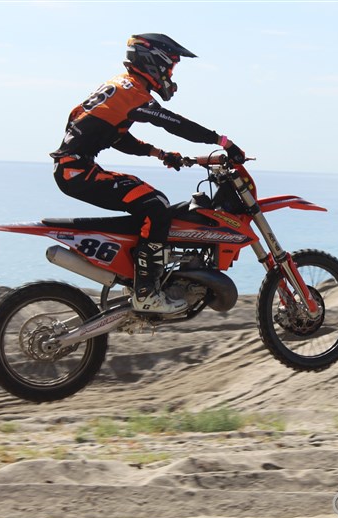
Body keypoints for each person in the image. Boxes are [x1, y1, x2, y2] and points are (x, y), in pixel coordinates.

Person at [50, 33, 245, 314]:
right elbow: (173, 123)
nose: (170, 75)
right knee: (156, 207)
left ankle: (140, 275)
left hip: (75, 169)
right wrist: (221, 141)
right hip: (77, 172)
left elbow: (117, 136)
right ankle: (146, 291)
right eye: (170, 67)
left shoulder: (118, 87)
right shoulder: (133, 92)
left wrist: (160, 154)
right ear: (154, 62)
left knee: (152, 203)